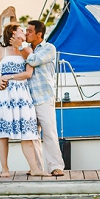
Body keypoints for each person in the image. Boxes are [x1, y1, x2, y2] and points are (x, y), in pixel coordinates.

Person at [0, 24, 45, 177]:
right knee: (3, 134)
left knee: (27, 132)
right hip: (5, 95)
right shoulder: (0, 51)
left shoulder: (27, 50)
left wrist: (10, 77)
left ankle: (34, 168)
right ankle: (5, 170)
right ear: (13, 32)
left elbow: (28, 74)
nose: (25, 32)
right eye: (21, 29)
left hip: (22, 95)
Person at [19, 19, 65, 176]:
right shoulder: (26, 49)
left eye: (30, 31)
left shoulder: (48, 48)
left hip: (44, 97)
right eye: (26, 30)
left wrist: (22, 48)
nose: (26, 33)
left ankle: (56, 166)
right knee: (32, 135)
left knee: (49, 132)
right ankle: (37, 167)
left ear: (39, 34)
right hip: (27, 99)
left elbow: (35, 60)